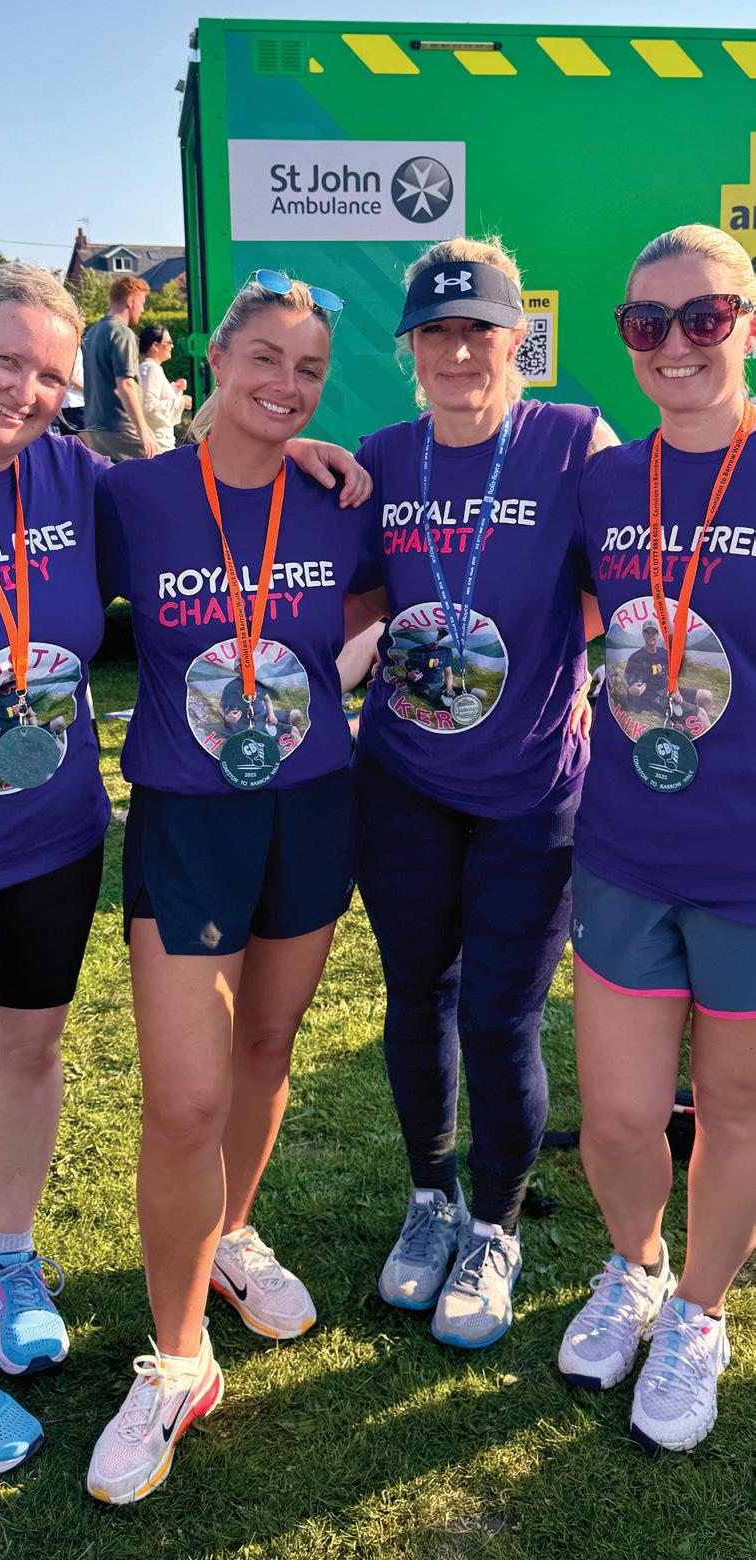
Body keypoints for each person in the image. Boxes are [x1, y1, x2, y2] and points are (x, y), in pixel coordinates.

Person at [87, 273, 381, 1503]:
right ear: (212, 358)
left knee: (265, 1046)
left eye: (306, 369)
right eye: (263, 356)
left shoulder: (340, 495)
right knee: (181, 1100)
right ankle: (177, 1360)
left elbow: (369, 616)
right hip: (188, 821)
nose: (285, 384)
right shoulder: (132, 497)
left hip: (309, 808)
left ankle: (231, 1230)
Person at [295, 235, 614, 1349]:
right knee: (416, 995)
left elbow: (614, 579)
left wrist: (568, 671)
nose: (457, 352)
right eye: (435, 332)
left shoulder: (570, 440)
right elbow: (346, 598)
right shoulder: (385, 457)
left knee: (500, 1014)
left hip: (530, 783)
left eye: (478, 330)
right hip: (404, 777)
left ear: (515, 338)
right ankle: (430, 1200)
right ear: (410, 348)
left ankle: (493, 1228)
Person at [559, 223, 756, 1453]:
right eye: (646, 322)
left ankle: (697, 1314)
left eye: (703, 317)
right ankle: (634, 1268)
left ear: (746, 322)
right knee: (621, 1117)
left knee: (734, 1111)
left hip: (747, 866)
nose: (673, 343)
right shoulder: (601, 479)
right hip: (625, 849)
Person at [0, 264, 110, 1475]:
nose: (27, 390)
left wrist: (306, 451)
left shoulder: (71, 474)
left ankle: (8, 1258)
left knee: (31, 1052)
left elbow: (204, 494)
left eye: (51, 374)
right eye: (6, 360)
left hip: (57, 837)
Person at [82, 275, 157, 462]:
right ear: (131, 301)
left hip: (95, 425)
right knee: (157, 469)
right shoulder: (122, 334)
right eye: (142, 302)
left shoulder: (92, 332)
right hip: (120, 427)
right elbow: (125, 384)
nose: (143, 309)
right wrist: (143, 430)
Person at [620, 619, 712, 731]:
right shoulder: (636, 657)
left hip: (669, 689)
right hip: (654, 697)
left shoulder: (663, 653)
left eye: (653, 632)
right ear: (643, 634)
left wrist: (677, 691)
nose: (650, 635)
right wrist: (631, 690)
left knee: (706, 696)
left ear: (657, 634)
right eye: (647, 632)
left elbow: (673, 674)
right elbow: (630, 680)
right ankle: (704, 727)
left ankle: (700, 727)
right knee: (701, 714)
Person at [138, 323, 192, 453]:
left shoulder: (145, 368)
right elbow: (149, 407)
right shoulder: (152, 369)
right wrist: (181, 401)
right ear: (155, 346)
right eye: (169, 342)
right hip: (158, 444)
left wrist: (174, 389)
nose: (172, 346)